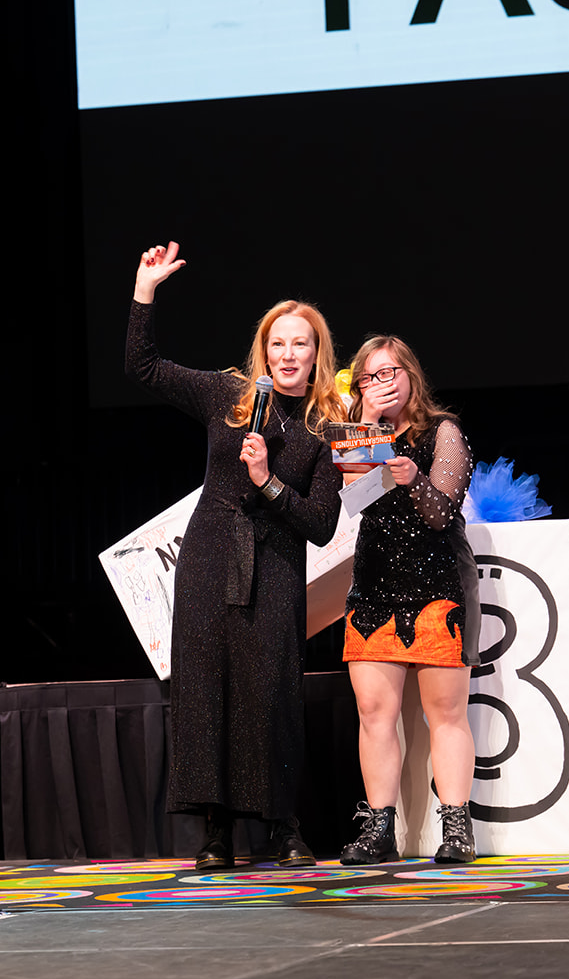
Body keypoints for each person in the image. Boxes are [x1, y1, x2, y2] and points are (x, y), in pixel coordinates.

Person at [126, 241, 345, 870]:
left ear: (317, 354)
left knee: (270, 693)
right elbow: (143, 368)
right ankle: (216, 831)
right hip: (207, 561)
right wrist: (145, 293)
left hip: (275, 567)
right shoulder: (229, 396)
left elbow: (323, 525)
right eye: (278, 343)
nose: (288, 354)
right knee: (206, 689)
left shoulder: (329, 425)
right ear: (264, 350)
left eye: (300, 343)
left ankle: (282, 826)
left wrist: (266, 482)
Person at [337, 336, 479, 866]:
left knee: (446, 714)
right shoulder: (355, 435)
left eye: (391, 371)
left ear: (411, 375)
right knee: (375, 713)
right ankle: (379, 830)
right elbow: (347, 500)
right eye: (371, 376)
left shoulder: (443, 432)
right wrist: (369, 428)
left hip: (437, 586)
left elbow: (442, 514)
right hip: (374, 588)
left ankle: (458, 828)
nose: (384, 382)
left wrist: (415, 478)